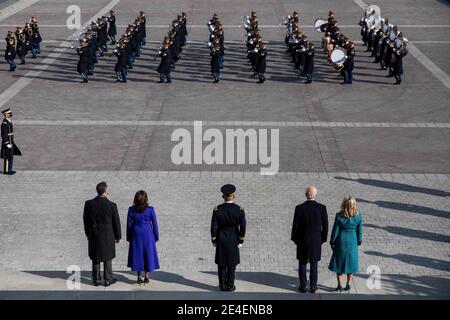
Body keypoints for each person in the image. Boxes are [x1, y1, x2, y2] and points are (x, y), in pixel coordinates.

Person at [83, 182, 122, 287]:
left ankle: (96, 279)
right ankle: (108, 279)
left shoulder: (89, 204)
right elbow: (116, 222)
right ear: (105, 192)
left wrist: (88, 234)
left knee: (95, 257)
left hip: (94, 235)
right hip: (108, 235)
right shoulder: (112, 205)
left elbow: (85, 221)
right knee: (107, 257)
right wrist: (118, 236)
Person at [291, 186, 328, 293]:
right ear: (315, 195)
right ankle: (313, 286)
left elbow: (295, 226)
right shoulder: (322, 208)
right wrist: (323, 239)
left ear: (306, 195)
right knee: (314, 264)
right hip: (316, 240)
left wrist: (295, 239)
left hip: (302, 240)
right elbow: (325, 226)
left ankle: (303, 286)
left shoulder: (299, 208)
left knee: (302, 263)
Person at [211, 184, 246, 291]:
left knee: (222, 264)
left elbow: (213, 226)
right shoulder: (239, 210)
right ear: (233, 196)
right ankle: (230, 286)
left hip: (221, 239)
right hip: (234, 239)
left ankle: (222, 285)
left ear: (223, 197)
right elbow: (243, 226)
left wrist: (214, 239)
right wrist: (240, 240)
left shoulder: (217, 210)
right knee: (232, 264)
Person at [328, 196, 362, 292]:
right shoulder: (358, 216)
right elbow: (359, 231)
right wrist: (359, 241)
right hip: (352, 241)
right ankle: (348, 284)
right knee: (350, 263)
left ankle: (339, 284)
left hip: (341, 240)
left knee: (339, 263)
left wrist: (332, 241)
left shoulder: (339, 215)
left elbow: (335, 230)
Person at [127, 190, 160, 284]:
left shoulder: (131, 209)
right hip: (148, 234)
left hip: (136, 234)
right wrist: (156, 236)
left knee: (137, 254)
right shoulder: (150, 209)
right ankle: (146, 276)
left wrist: (129, 237)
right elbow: (155, 224)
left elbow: (129, 225)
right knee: (147, 253)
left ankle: (138, 276)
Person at [1, 108, 21, 175]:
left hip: (11, 142)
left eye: (10, 113)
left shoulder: (9, 121)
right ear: (5, 114)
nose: (10, 114)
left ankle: (10, 169)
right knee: (7, 156)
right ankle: (6, 170)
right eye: (9, 113)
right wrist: (6, 143)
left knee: (11, 156)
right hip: (7, 143)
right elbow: (4, 134)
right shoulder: (4, 123)